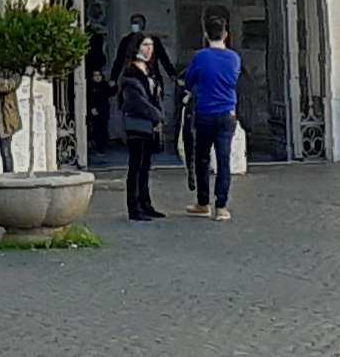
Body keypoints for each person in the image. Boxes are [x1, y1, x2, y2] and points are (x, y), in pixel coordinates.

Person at [103, 30, 173, 221]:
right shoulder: (130, 73)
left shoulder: (149, 72)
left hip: (149, 125)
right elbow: (135, 101)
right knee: (136, 165)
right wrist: (156, 115)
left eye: (151, 46)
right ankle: (134, 207)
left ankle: (146, 203)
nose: (149, 50)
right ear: (136, 48)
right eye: (145, 45)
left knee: (145, 167)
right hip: (137, 124)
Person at [184, 14, 243, 218]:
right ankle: (221, 206)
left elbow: (189, 80)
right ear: (225, 34)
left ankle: (202, 202)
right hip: (227, 113)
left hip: (205, 113)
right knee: (223, 159)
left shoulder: (201, 57)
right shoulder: (234, 58)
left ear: (205, 34)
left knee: (201, 158)